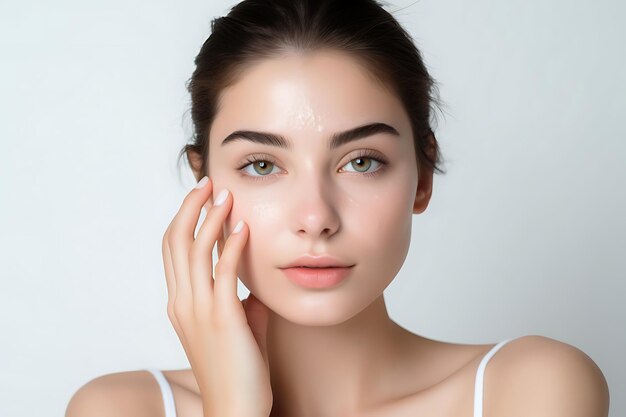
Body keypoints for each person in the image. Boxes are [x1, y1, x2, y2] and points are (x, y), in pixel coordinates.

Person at [65, 1, 610, 416]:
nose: (315, 217)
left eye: (362, 161)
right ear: (203, 185)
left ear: (421, 178)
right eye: (262, 165)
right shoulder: (121, 407)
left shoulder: (530, 389)